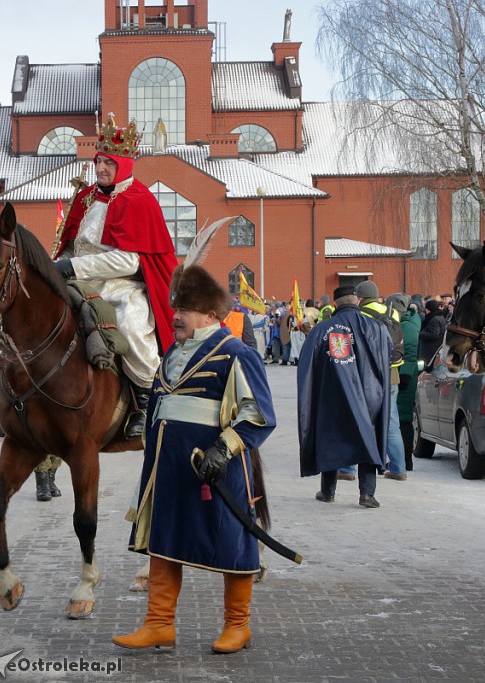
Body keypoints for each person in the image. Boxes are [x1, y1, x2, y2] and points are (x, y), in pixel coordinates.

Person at [114, 258, 276, 653]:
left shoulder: (235, 352)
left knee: (232, 540)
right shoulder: (172, 354)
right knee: (163, 539)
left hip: (216, 471)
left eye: (183, 311)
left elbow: (260, 414)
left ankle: (238, 626)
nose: (175, 317)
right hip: (168, 469)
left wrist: (223, 449)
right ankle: (158, 624)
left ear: (209, 314)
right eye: (175, 309)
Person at [54, 114, 177, 438]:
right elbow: (73, 244)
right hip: (79, 281)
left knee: (132, 324)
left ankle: (146, 401)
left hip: (121, 285)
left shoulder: (139, 201)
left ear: (123, 164)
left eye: (109, 163)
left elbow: (130, 261)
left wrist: (74, 267)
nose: (101, 169)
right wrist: (63, 261)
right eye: (99, 162)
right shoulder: (87, 198)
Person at [298, 285, 391, 509]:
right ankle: (367, 494)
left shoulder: (322, 329)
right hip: (371, 395)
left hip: (332, 395)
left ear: (335, 303)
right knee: (369, 437)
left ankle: (328, 491)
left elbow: (307, 365)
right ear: (358, 301)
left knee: (331, 438)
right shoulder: (377, 328)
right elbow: (389, 356)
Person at [355, 280, 407, 480]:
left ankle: (349, 469)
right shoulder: (392, 312)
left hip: (368, 375)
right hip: (392, 373)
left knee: (360, 420)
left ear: (360, 298)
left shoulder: (361, 315)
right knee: (392, 422)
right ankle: (398, 469)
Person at [392, 293, 421, 472]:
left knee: (403, 419)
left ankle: (404, 460)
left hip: (405, 378)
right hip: (405, 375)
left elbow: (409, 354)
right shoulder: (409, 321)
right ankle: (403, 460)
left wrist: (404, 376)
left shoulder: (406, 325)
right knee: (402, 419)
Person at [419, 299, 448, 366]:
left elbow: (434, 334)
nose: (425, 310)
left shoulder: (434, 319)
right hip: (435, 348)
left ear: (429, 309)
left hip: (431, 349)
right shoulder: (440, 317)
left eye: (426, 308)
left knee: (426, 368)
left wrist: (419, 334)